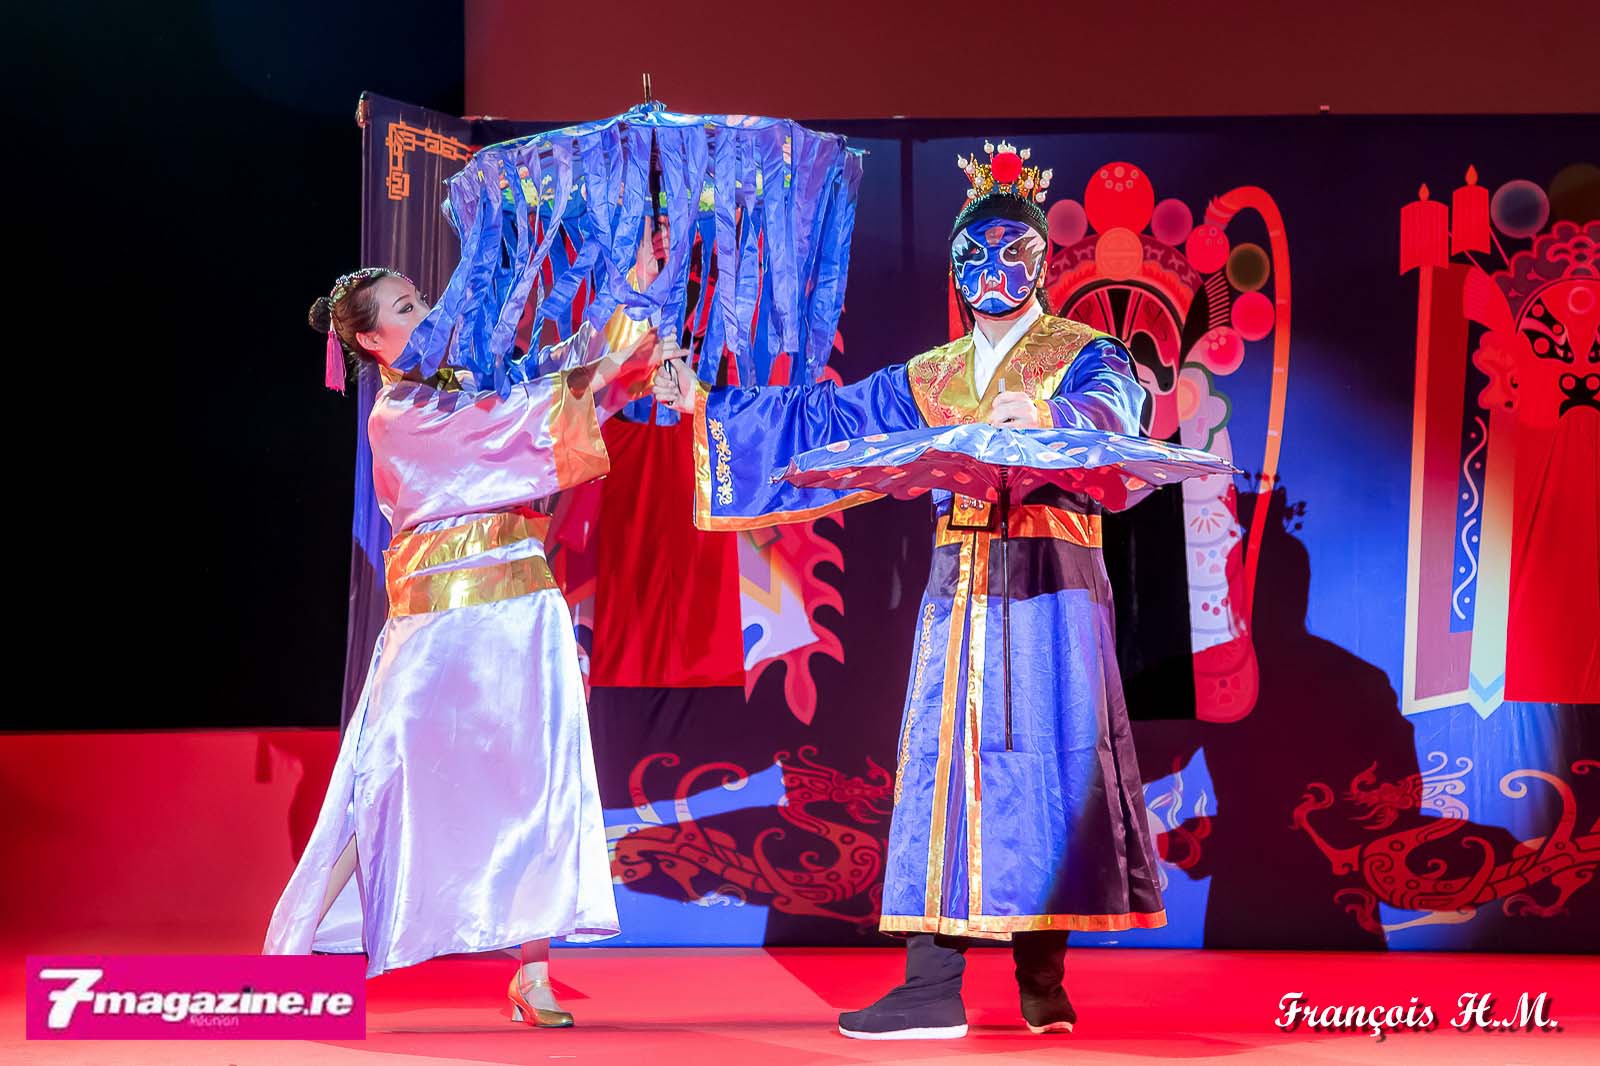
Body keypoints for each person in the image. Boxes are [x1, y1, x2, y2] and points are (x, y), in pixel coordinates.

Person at [654, 142, 1166, 1039]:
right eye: (975, 253)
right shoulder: (932, 376)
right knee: (950, 768)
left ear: (1041, 261)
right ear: (955, 270)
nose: (993, 267)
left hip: (1053, 584)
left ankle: (1042, 976)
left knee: (1047, 764)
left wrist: (1047, 415)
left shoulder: (1084, 354)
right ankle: (933, 985)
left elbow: (1118, 415)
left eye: (1012, 249)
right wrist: (709, 402)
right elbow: (829, 417)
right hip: (961, 587)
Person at [264, 266, 663, 1027]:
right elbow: (514, 422)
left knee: (536, 786)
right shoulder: (398, 415)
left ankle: (534, 977)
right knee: (384, 782)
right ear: (372, 340)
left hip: (522, 608)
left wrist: (632, 306)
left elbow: (553, 382)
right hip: (438, 621)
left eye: (422, 298)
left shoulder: (471, 381)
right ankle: (291, 956)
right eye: (406, 307)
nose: (427, 311)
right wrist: (605, 370)